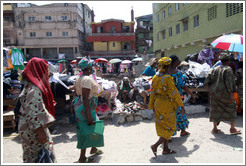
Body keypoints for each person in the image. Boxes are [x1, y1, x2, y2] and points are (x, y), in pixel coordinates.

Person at [18, 57, 56, 163]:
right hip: (34, 129)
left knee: (33, 156)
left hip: (29, 126)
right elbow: (33, 111)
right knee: (37, 157)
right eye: (45, 70)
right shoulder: (34, 90)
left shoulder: (30, 87)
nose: (47, 74)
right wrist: (41, 131)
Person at [149, 57, 184, 156]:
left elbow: (152, 92)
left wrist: (151, 105)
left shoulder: (155, 77)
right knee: (170, 127)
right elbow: (174, 93)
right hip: (166, 104)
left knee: (162, 125)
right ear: (168, 66)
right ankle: (155, 146)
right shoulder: (168, 78)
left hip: (157, 103)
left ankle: (166, 149)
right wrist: (181, 106)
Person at [73, 57, 104, 163]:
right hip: (86, 108)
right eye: (91, 66)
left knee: (90, 128)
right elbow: (85, 98)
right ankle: (82, 157)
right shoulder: (86, 79)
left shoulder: (81, 77)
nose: (93, 67)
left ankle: (93, 148)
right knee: (87, 129)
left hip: (84, 107)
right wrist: (89, 116)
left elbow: (76, 93)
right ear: (89, 67)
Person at [204, 52, 241, 134]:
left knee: (215, 109)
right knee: (232, 108)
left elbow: (207, 81)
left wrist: (212, 88)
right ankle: (232, 128)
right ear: (228, 61)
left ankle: (214, 128)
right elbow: (229, 83)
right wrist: (231, 95)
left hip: (214, 93)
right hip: (225, 93)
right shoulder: (228, 69)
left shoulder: (214, 69)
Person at [169, 55, 196, 137]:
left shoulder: (166, 72)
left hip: (169, 97)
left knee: (170, 115)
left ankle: (169, 134)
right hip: (176, 97)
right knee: (180, 112)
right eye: (178, 60)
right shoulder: (177, 73)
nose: (179, 61)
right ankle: (182, 131)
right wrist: (191, 93)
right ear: (174, 61)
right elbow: (183, 86)